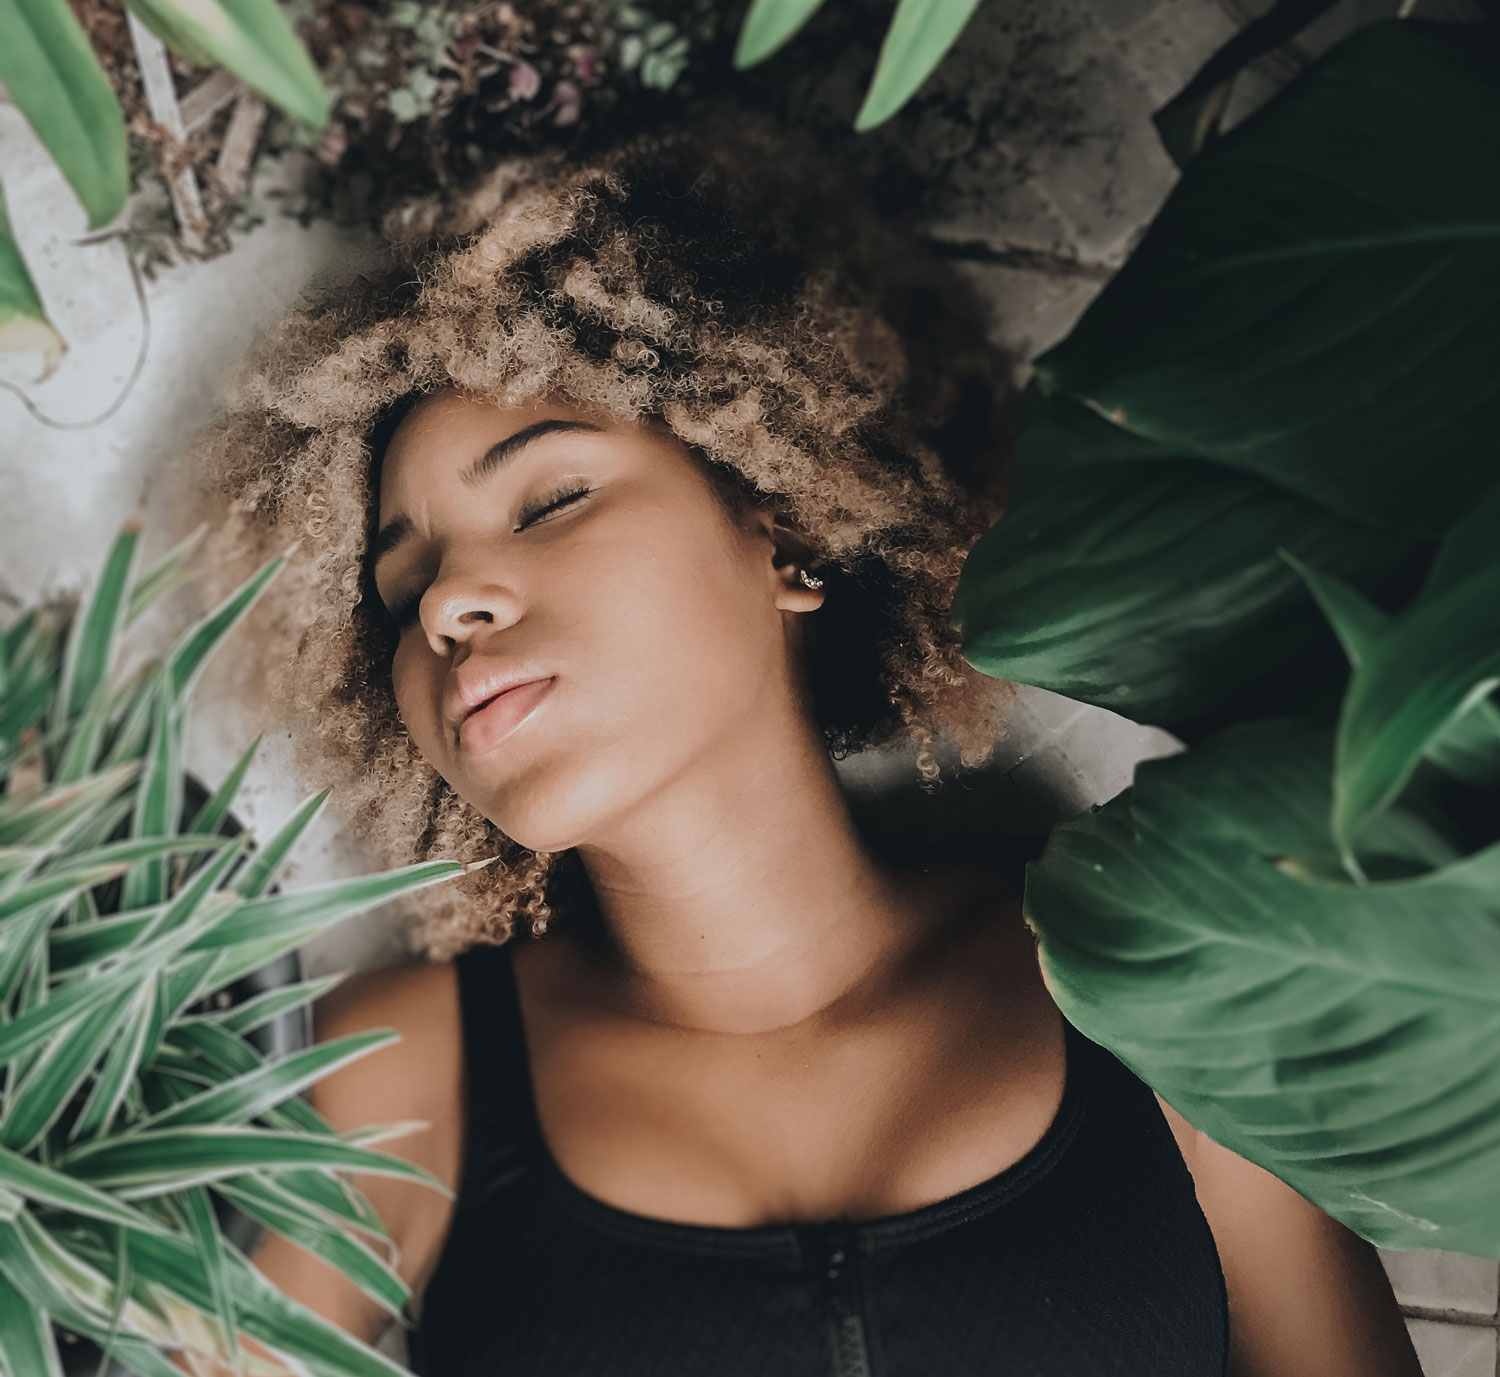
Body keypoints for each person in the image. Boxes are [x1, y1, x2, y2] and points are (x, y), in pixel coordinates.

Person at [175, 108, 1422, 1376]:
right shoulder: (408, 1072)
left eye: (549, 500)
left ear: (788, 536)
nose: (448, 604)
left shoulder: (1156, 967)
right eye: (404, 590)